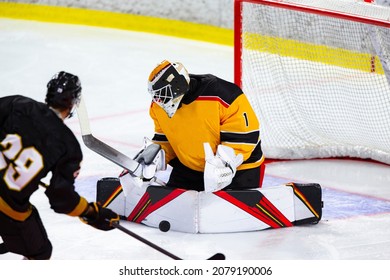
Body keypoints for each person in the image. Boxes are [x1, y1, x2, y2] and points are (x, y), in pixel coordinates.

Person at [0, 71, 119, 260]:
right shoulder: (68, 145)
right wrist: (90, 212)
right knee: (40, 251)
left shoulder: (18, 104)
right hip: (7, 209)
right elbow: (61, 198)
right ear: (72, 103)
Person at [146, 60, 265, 193]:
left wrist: (223, 165)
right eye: (157, 96)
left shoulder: (223, 94)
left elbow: (244, 138)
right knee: (172, 211)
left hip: (240, 170)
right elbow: (165, 139)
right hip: (190, 168)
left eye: (163, 93)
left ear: (177, 84)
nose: (159, 100)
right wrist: (153, 158)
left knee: (229, 213)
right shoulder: (158, 107)